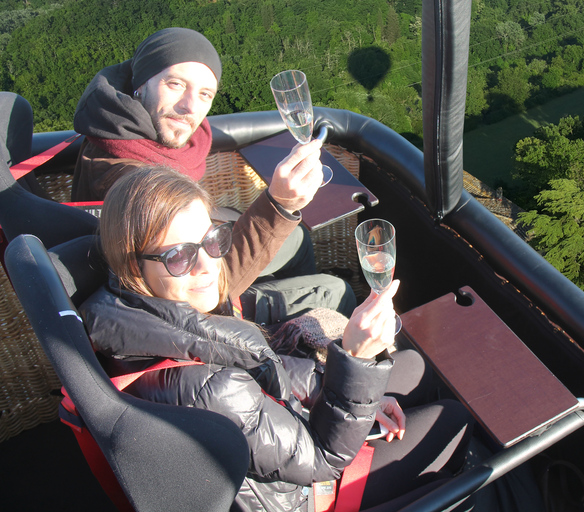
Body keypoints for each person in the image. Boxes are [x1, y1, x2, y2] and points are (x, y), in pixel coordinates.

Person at [79, 166, 474, 511]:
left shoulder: (133, 315)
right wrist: (355, 361)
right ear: (134, 264)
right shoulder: (203, 387)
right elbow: (322, 459)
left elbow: (264, 369)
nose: (207, 265)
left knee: (415, 368)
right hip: (298, 494)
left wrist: (333, 388)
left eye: (213, 240)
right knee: (453, 423)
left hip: (278, 440)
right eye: (178, 256)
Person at [72, 27, 354, 325]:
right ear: (140, 84)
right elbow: (204, 287)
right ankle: (280, 337)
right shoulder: (133, 181)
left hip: (181, 271)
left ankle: (285, 330)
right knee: (334, 291)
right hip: (180, 312)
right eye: (176, 84)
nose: (190, 106)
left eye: (205, 94)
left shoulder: (117, 130)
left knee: (297, 240)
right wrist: (280, 205)